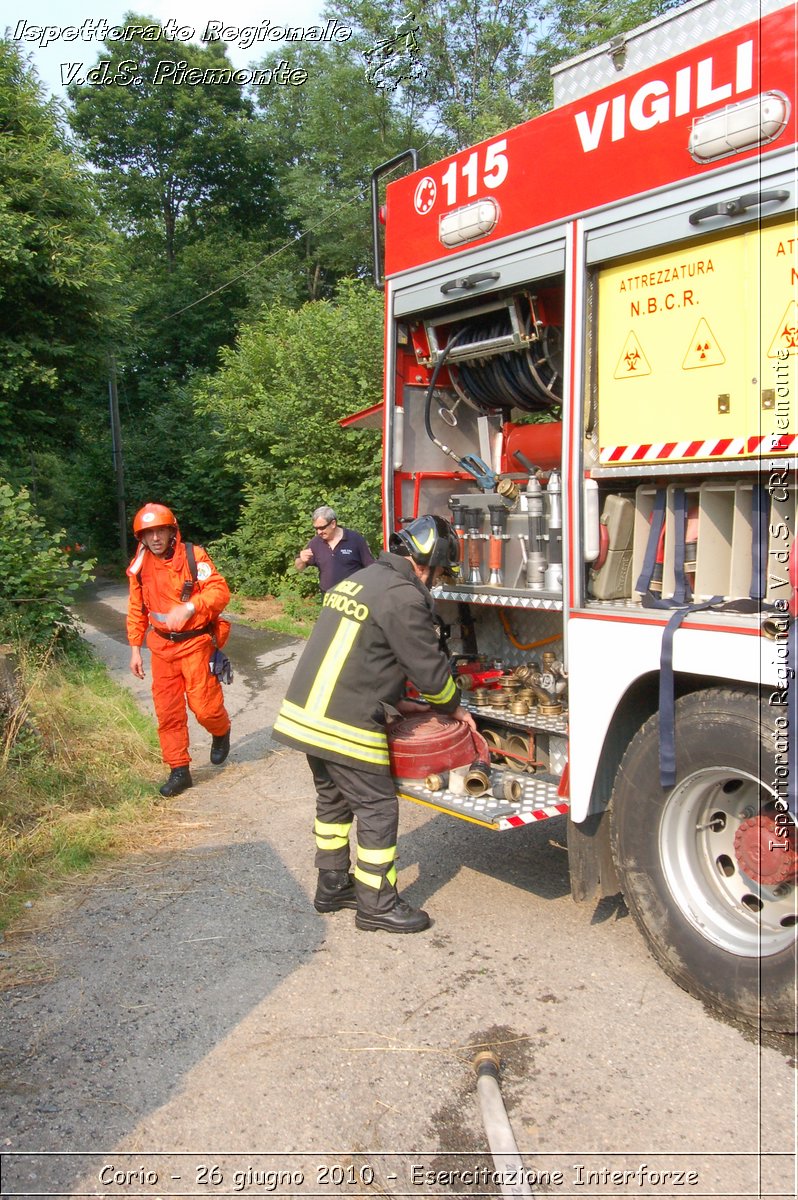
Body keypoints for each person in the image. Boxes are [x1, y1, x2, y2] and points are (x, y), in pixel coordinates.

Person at [274, 514, 476, 934]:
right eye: (439, 573)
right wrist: (453, 706)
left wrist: (399, 701)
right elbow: (429, 671)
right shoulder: (404, 595)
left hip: (307, 716)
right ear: (426, 563)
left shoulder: (363, 579)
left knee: (334, 802)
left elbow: (360, 653)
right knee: (378, 808)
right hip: (344, 722)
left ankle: (332, 886)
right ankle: (377, 903)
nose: (436, 582)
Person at [126, 503, 232, 798]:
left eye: (161, 530)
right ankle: (179, 770)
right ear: (142, 538)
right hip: (161, 648)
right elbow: (136, 607)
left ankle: (220, 730)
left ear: (172, 532)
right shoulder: (139, 566)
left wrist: (191, 606)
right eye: (149, 533)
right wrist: (135, 648)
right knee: (168, 712)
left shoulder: (192, 556)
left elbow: (220, 591)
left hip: (196, 643)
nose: (156, 538)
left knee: (205, 706)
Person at [294, 506, 375, 594]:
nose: (319, 532)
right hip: (328, 598)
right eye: (316, 528)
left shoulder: (355, 539)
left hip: (353, 597)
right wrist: (301, 560)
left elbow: (371, 567)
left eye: (322, 528)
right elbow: (299, 568)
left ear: (333, 524)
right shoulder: (315, 543)